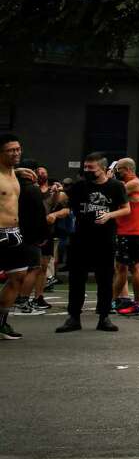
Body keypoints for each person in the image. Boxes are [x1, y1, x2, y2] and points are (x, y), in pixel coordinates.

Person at [56, 151, 129, 334]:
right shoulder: (80, 186)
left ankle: (104, 317)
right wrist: (56, 199)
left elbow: (126, 209)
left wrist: (109, 215)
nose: (87, 170)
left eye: (91, 167)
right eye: (85, 167)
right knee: (76, 280)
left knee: (104, 279)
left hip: (105, 240)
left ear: (103, 168)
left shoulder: (116, 186)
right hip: (80, 239)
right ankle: (73, 317)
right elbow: (67, 205)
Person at [0, 135, 38, 339]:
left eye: (18, 149)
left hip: (14, 233)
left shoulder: (15, 174)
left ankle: (1, 322)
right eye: (10, 150)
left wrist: (16, 170)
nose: (16, 153)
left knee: (18, 278)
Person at [12, 159, 51, 316]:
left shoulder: (14, 187)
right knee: (33, 268)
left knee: (16, 270)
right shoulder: (32, 190)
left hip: (14, 232)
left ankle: (18, 300)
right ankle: (22, 301)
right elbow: (39, 214)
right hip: (30, 234)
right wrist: (43, 234)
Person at [110, 158, 139, 317]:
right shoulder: (129, 183)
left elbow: (112, 193)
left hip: (131, 232)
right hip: (125, 231)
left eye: (118, 169)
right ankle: (115, 300)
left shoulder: (135, 183)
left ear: (126, 169)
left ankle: (138, 304)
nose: (117, 172)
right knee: (121, 268)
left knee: (134, 267)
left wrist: (108, 177)